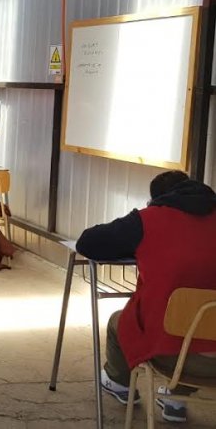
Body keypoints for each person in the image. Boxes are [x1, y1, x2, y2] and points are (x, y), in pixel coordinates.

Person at [76, 171, 216, 423]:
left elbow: (88, 242)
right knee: (200, 324)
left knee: (119, 322)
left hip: (173, 354)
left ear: (157, 200)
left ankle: (119, 383)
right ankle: (176, 398)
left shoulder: (149, 219)